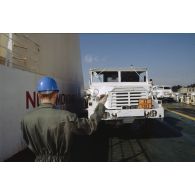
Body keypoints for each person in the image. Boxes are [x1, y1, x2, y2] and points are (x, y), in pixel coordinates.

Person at [21, 76, 107, 162]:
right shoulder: (66, 117)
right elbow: (90, 126)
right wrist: (100, 104)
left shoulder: (25, 120)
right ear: (55, 94)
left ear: (38, 95)